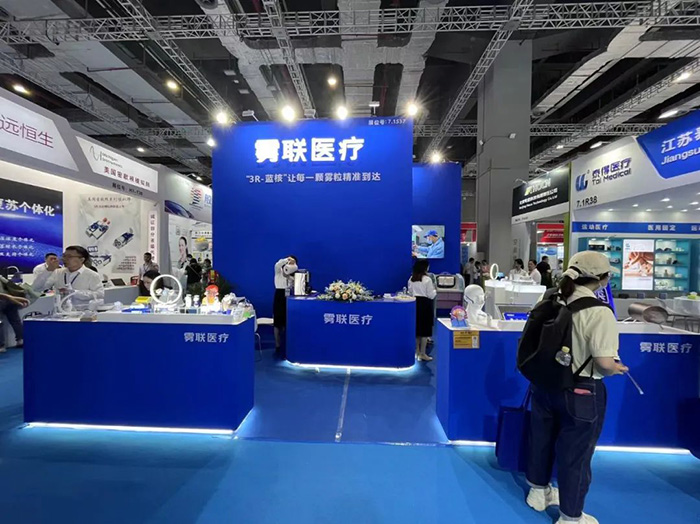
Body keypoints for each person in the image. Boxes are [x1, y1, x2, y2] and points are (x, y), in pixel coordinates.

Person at [526, 251, 628, 524]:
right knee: (576, 454)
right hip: (582, 389)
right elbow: (604, 363)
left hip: (544, 383)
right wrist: (616, 368)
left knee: (541, 439)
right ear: (603, 279)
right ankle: (570, 516)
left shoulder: (549, 298)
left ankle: (538, 492)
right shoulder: (599, 312)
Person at [32, 246, 105, 310]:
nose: (64, 259)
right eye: (64, 256)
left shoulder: (91, 275)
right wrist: (49, 270)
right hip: (61, 313)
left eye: (69, 257)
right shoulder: (58, 272)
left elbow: (100, 294)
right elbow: (37, 288)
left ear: (82, 259)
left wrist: (75, 293)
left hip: (83, 313)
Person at [408, 259, 437, 362]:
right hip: (425, 304)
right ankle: (423, 353)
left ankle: (416, 351)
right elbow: (431, 295)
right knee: (425, 330)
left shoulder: (411, 279)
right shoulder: (427, 279)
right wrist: (435, 290)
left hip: (415, 304)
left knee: (417, 329)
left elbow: (410, 292)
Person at [0, 284, 29, 353]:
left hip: (4, 299)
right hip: (9, 299)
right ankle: (21, 339)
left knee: (0, 323)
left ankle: (1, 345)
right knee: (15, 320)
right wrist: (16, 299)